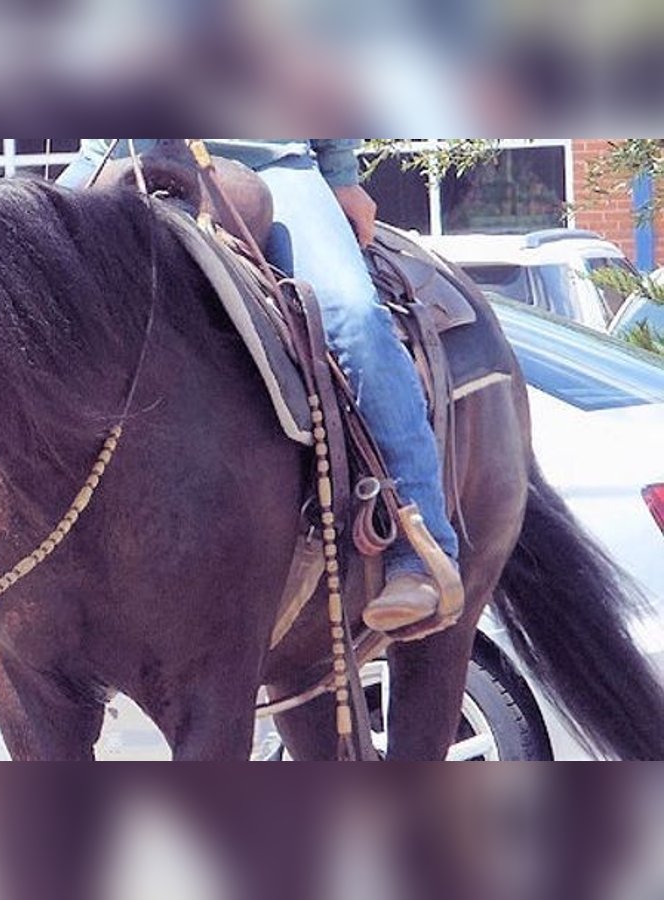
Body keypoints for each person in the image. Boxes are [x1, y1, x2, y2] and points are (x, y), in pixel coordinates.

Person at [58, 139, 461, 635]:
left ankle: (419, 547)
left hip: (270, 163)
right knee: (17, 288)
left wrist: (339, 174)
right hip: (119, 150)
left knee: (352, 318)